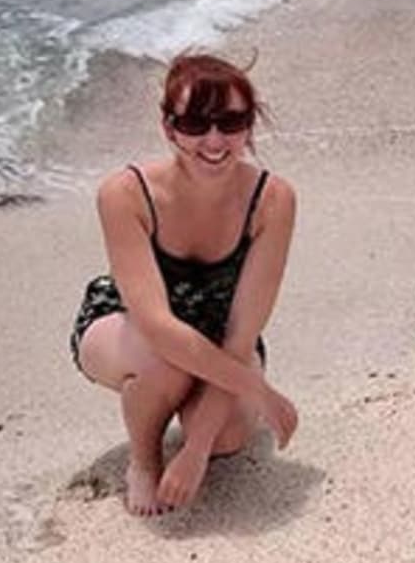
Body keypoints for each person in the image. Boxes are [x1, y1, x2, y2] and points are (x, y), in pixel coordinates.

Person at [70, 50, 298, 515]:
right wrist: (259, 389)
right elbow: (156, 325)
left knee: (229, 437)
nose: (213, 140)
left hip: (220, 333)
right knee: (164, 361)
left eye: (230, 122)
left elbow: (241, 337)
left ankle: (190, 426)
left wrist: (195, 450)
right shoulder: (126, 192)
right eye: (195, 124)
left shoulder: (272, 199)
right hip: (129, 325)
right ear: (169, 128)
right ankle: (144, 459)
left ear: (249, 125)